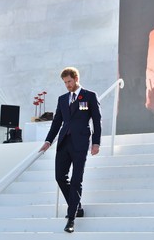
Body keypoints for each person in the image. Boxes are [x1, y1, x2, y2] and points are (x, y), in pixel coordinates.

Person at [39, 67, 102, 233]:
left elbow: (97, 120)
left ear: (76, 79)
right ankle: (77, 206)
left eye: (69, 81)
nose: (67, 85)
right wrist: (48, 141)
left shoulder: (89, 96)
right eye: (65, 82)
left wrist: (96, 143)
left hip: (80, 143)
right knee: (60, 177)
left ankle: (71, 218)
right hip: (63, 143)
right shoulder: (62, 99)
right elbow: (56, 122)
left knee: (76, 180)